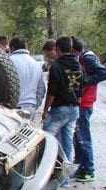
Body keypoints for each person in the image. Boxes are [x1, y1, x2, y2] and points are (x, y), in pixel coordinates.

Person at [41, 36, 83, 173]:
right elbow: (79, 88)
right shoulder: (77, 65)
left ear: (57, 49)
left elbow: (52, 91)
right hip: (74, 108)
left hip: (60, 109)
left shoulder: (56, 66)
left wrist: (45, 110)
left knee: (46, 140)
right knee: (67, 143)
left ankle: (43, 172)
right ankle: (64, 177)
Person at [70, 37, 106, 183]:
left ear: (74, 50)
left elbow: (103, 73)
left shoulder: (88, 58)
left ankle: (89, 170)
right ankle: (82, 166)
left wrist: (84, 82)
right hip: (82, 102)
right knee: (78, 135)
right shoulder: (84, 58)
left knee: (83, 137)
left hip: (85, 103)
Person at [8, 37, 46, 121]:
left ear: (12, 48)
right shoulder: (36, 64)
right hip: (30, 107)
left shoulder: (9, 62)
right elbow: (41, 89)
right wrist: (35, 105)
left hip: (12, 108)